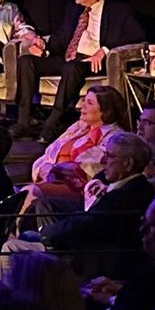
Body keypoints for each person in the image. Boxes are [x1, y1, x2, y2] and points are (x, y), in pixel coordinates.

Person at [1, 130, 153, 283]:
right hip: (87, 247)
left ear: (128, 163)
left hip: (91, 259)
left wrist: (46, 233)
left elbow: (88, 223)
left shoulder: (126, 195)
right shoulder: (132, 186)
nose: (102, 160)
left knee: (11, 248)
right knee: (29, 234)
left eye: (110, 156)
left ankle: (12, 299)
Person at [15, 0, 144, 141]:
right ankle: (24, 121)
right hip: (68, 57)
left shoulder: (118, 11)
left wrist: (104, 50)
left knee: (72, 67)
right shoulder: (73, 10)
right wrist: (44, 48)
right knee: (26, 61)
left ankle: (53, 123)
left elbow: (138, 34)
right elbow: (61, 38)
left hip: (90, 62)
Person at [22, 82, 127, 221]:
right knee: (15, 196)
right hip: (53, 180)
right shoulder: (78, 127)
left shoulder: (114, 136)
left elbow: (91, 166)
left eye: (89, 103)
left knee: (29, 193)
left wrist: (55, 169)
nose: (82, 106)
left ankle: (11, 235)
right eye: (84, 101)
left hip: (80, 187)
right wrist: (43, 167)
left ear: (104, 110)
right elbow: (50, 152)